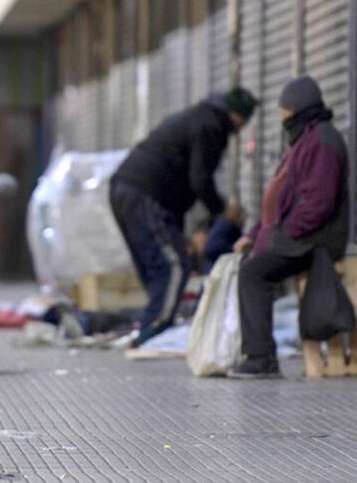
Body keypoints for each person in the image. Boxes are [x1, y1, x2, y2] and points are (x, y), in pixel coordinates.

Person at [110, 88, 258, 347]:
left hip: (127, 189)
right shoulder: (212, 126)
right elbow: (200, 180)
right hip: (144, 193)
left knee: (156, 266)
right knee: (174, 266)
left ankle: (150, 324)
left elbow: (183, 183)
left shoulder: (200, 117)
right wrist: (221, 213)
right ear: (239, 115)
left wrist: (183, 231)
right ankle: (152, 331)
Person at [229, 76, 349, 379]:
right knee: (250, 264)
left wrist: (286, 234)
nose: (283, 121)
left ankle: (261, 359)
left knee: (253, 272)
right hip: (297, 235)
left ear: (298, 111)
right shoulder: (304, 140)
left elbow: (318, 203)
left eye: (285, 114)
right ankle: (257, 353)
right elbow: (279, 203)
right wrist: (255, 235)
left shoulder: (321, 141)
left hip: (314, 238)